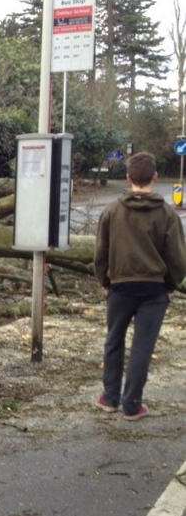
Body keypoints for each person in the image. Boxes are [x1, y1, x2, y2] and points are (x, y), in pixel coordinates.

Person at [93, 152, 186, 421]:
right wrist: (169, 284)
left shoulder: (111, 211)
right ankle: (132, 405)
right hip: (154, 290)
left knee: (114, 340)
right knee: (142, 346)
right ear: (155, 177)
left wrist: (104, 280)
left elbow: (100, 253)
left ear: (127, 178)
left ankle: (109, 398)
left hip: (120, 287)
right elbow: (178, 259)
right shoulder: (168, 215)